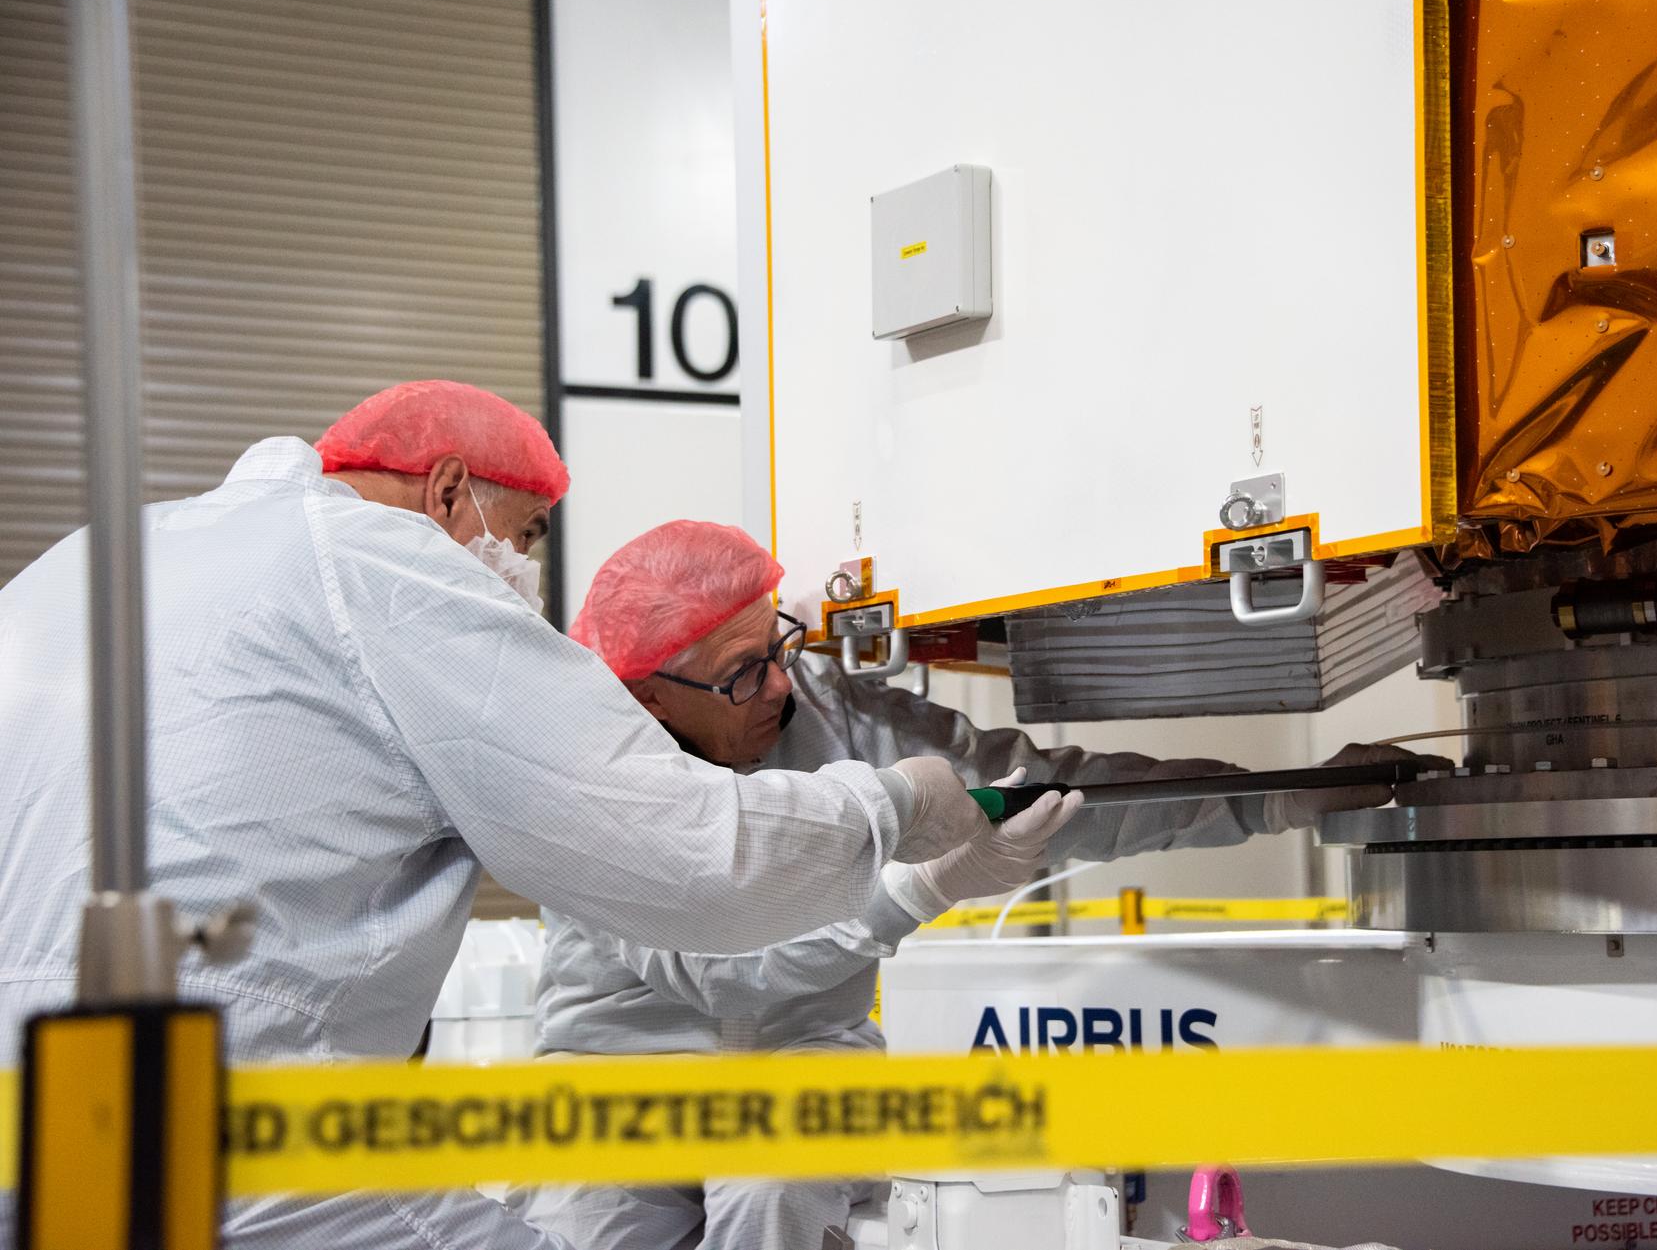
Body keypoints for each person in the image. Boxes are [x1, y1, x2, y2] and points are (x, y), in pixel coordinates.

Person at [0, 381, 993, 1249]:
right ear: (444, 492)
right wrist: (898, 808)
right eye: (519, 537)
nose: (521, 571)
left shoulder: (88, 562)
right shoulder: (387, 567)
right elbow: (681, 859)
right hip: (242, 1127)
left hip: (26, 1119)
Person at [512, 520, 1427, 1250]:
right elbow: (727, 973)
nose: (779, 687)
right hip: (617, 1078)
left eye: (779, 646)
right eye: (742, 673)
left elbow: (1052, 791)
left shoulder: (836, 713)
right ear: (647, 697)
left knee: (771, 1182)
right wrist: (922, 886)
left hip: (805, 1058)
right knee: (588, 1224)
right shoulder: (585, 783)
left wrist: (1269, 801)